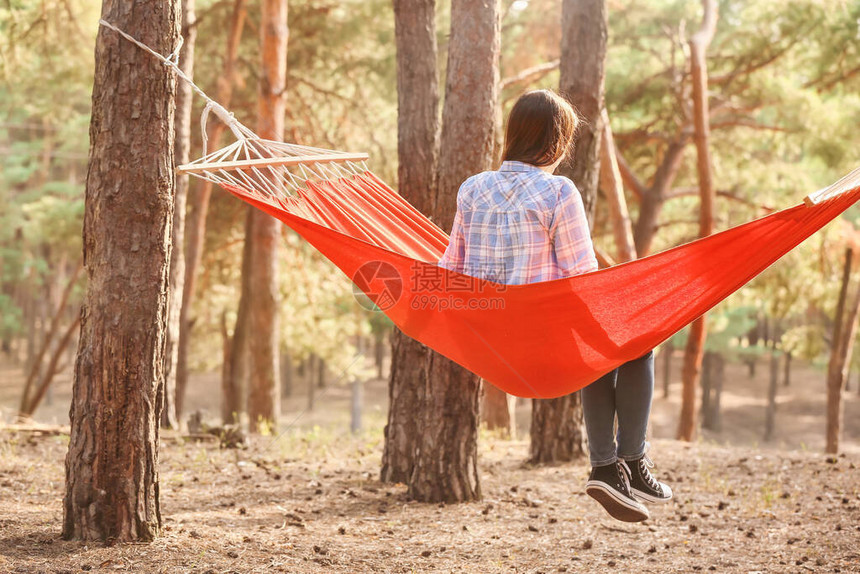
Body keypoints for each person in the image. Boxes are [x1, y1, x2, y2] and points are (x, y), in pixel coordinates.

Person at [437, 89, 672, 523]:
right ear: (557, 141)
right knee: (638, 345)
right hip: (543, 334)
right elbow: (581, 278)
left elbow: (449, 268)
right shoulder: (558, 192)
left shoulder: (472, 189)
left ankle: (607, 469)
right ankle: (629, 460)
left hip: (492, 337)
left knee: (599, 354)